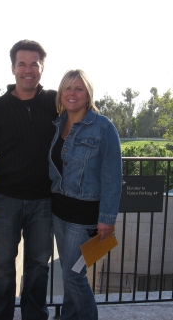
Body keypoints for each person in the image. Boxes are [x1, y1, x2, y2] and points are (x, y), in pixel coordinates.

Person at [0, 39, 58, 320]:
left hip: (45, 201)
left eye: (34, 64)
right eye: (22, 64)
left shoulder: (55, 103)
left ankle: (34, 316)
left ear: (42, 67)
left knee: (39, 266)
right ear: (13, 68)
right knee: (2, 267)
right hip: (6, 201)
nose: (28, 70)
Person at [49, 69, 122, 320]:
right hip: (58, 211)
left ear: (88, 94)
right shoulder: (57, 123)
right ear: (61, 93)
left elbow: (112, 177)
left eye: (78, 89)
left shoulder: (104, 128)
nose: (72, 93)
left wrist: (107, 218)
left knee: (73, 275)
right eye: (67, 88)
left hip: (85, 216)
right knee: (69, 273)